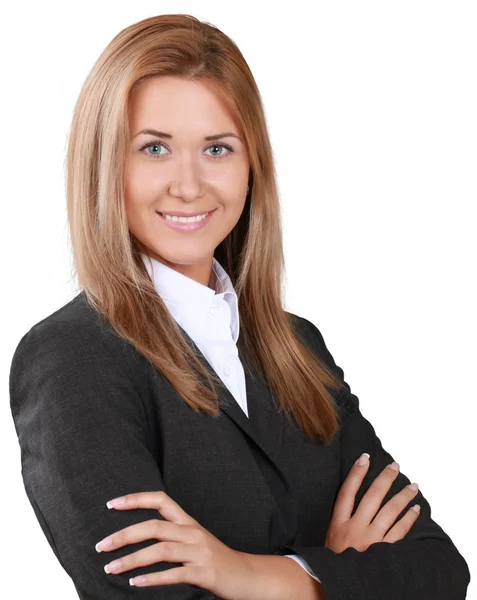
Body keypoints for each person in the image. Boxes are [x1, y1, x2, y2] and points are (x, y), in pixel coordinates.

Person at [9, 13, 470, 600]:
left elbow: (439, 572)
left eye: (217, 148)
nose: (189, 184)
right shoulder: (73, 358)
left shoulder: (297, 346)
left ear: (251, 164)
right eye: (154, 148)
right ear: (104, 166)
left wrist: (245, 574)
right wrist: (332, 571)